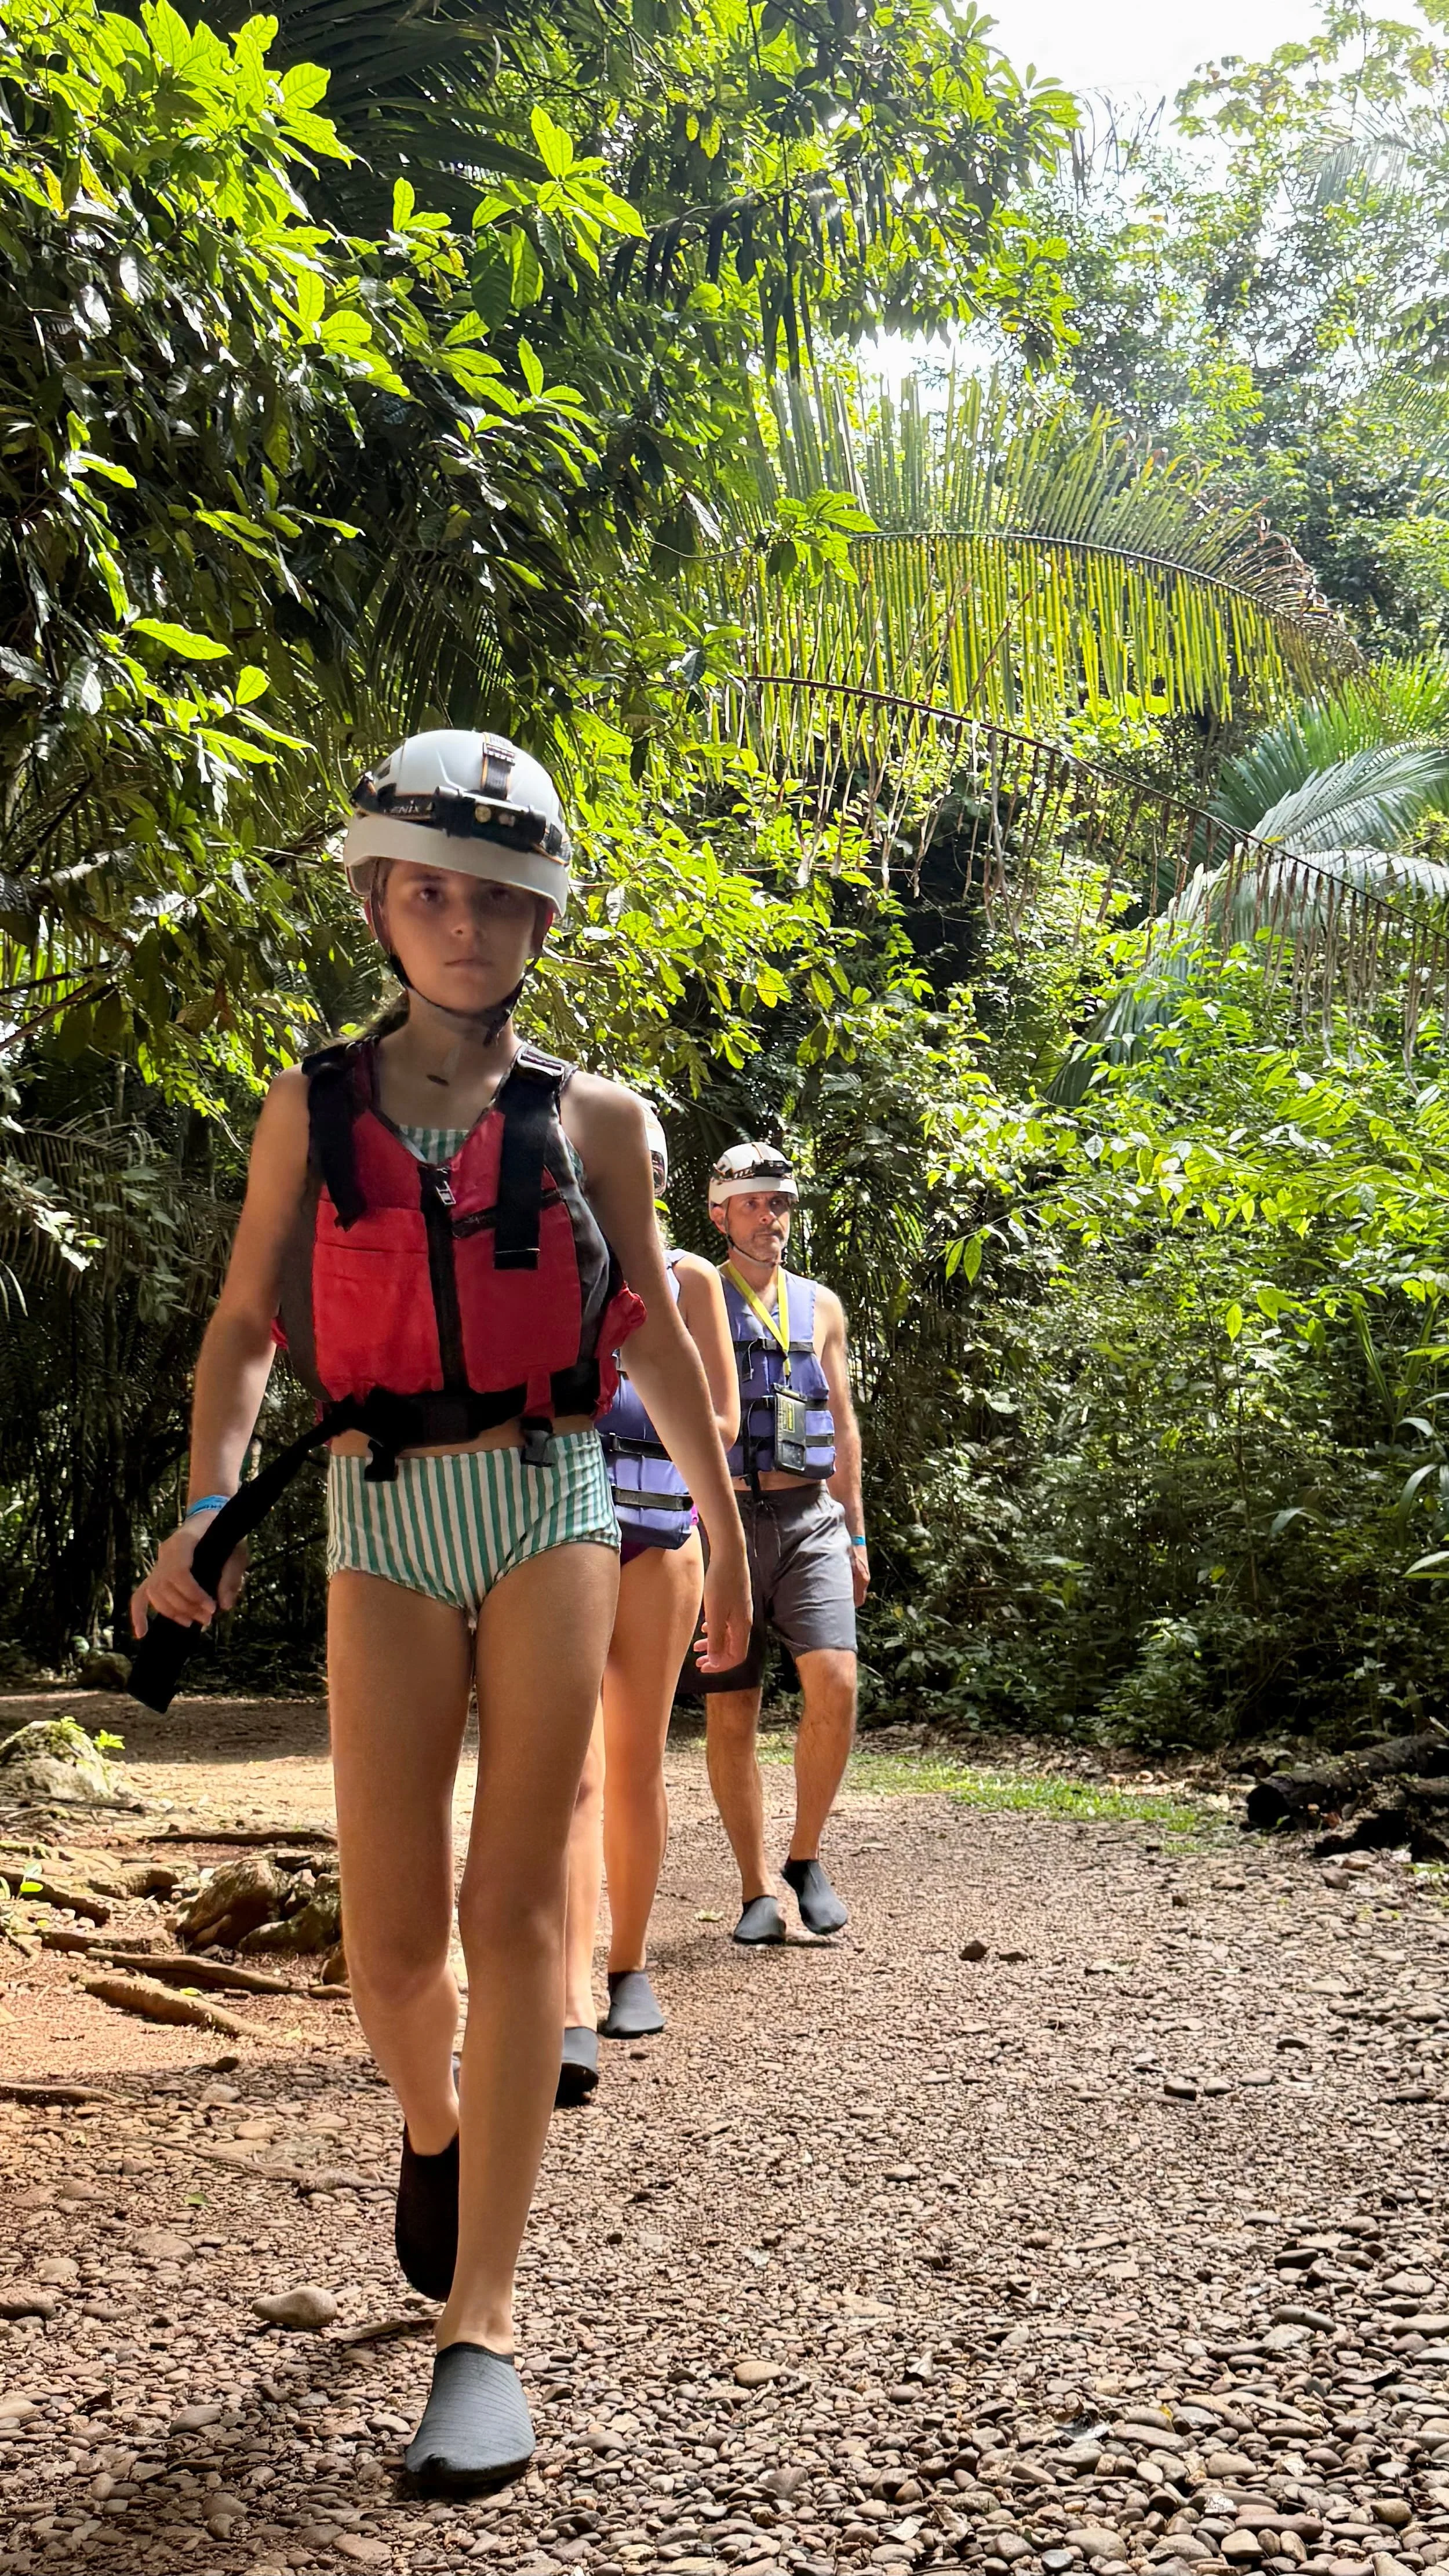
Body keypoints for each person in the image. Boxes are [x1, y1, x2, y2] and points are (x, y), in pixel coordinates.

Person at [129, 731, 751, 2498]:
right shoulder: (311, 1107)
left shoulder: (599, 1119)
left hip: (552, 1498)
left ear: (542, 916)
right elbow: (248, 1328)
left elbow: (639, 1328)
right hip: (381, 1511)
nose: (465, 924)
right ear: (381, 905)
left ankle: (481, 2321)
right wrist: (202, 1510)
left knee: (513, 1894)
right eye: (430, 891)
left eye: (498, 897)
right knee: (392, 1949)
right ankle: (436, 2123)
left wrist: (711, 1519)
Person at [558, 1110, 738, 2102]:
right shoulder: (555, 1262)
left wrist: (629, 1376)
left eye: (644, 1174)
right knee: (572, 1769)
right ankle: (571, 1987)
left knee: (633, 1759)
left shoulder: (690, 1281)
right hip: (562, 1534)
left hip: (662, 1536)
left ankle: (631, 1964)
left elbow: (717, 1416)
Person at [702, 1143, 869, 1944]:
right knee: (734, 1708)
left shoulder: (823, 1306)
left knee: (835, 1683)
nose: (772, 1218)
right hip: (722, 1525)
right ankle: (753, 1889)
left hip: (810, 1521)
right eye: (755, 1204)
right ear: (720, 1214)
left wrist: (858, 1532)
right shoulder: (693, 1295)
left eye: (782, 1204)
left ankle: (805, 1857)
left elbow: (841, 1422)